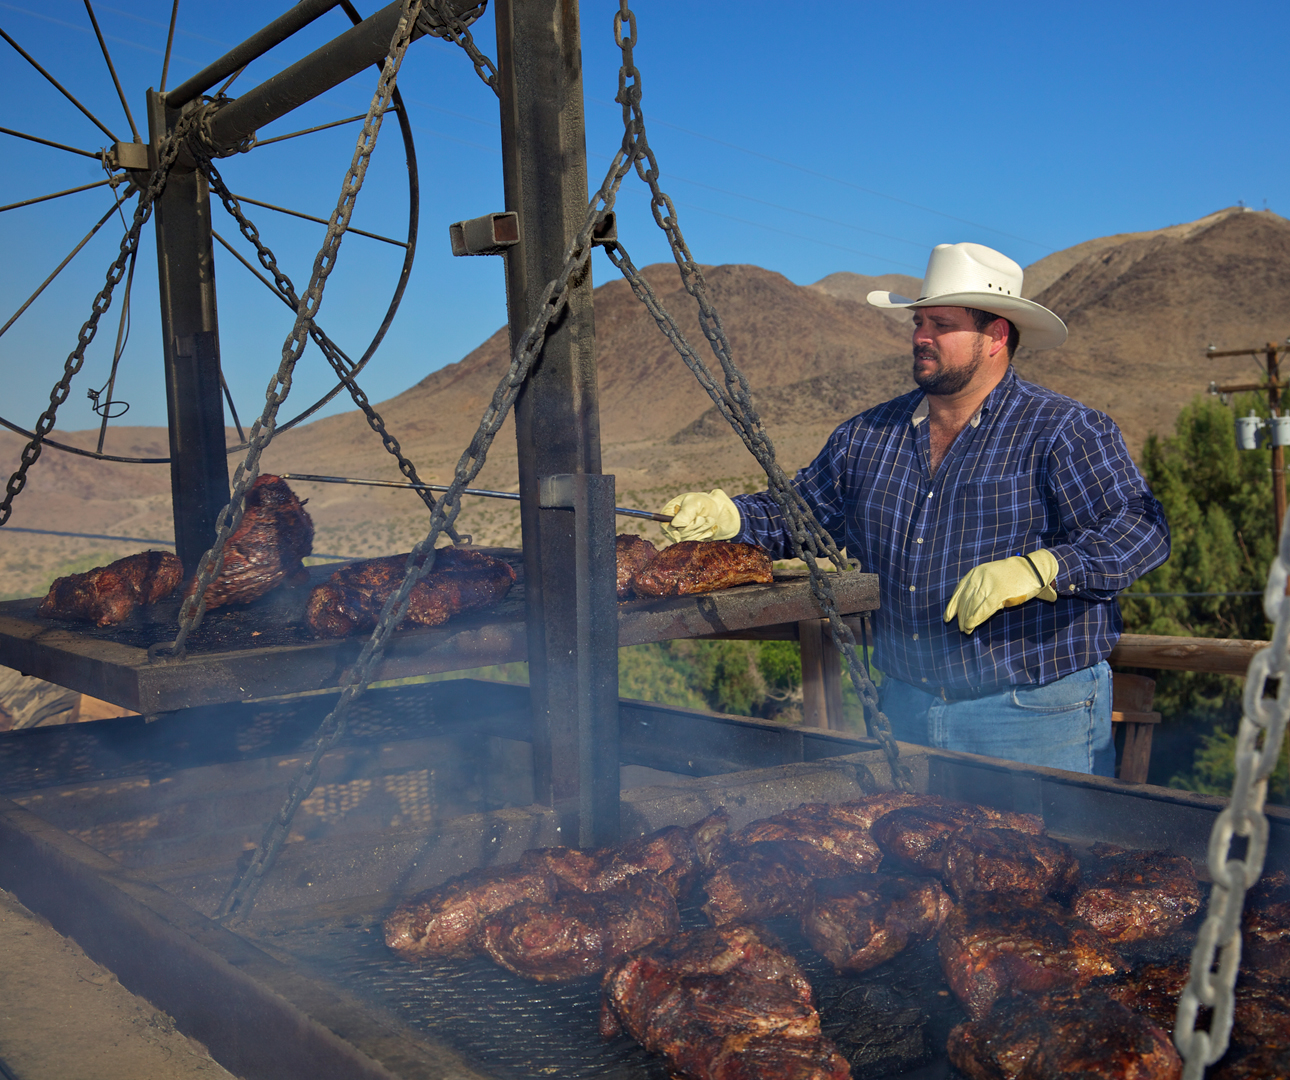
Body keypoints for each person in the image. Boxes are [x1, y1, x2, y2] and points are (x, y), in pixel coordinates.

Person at [658, 242, 1170, 776]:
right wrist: (733, 517)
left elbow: (1141, 528)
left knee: (1046, 857)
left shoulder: (1063, 429)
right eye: (919, 321)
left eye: (940, 324)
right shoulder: (866, 436)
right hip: (905, 708)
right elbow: (801, 517)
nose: (921, 336)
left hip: (1032, 714)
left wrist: (1045, 569)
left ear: (996, 336)